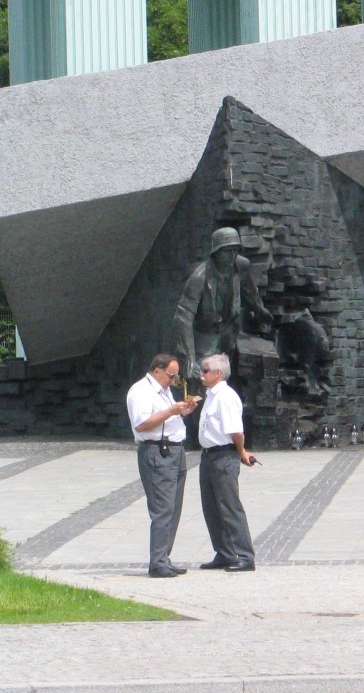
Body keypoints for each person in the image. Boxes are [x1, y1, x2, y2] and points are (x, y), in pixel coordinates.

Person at [126, 353, 197, 578]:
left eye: (175, 375)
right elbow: (142, 424)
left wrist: (182, 412)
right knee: (163, 508)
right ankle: (157, 562)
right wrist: (171, 411)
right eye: (171, 375)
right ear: (157, 370)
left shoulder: (164, 391)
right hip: (157, 451)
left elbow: (166, 420)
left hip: (175, 450)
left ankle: (164, 557)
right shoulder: (141, 391)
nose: (174, 379)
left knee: (174, 507)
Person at [173, 227, 273, 380]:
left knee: (225, 373)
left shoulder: (242, 266)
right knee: (201, 373)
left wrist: (261, 312)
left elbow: (251, 294)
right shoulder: (200, 276)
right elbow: (183, 317)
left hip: (228, 329)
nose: (232, 255)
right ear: (216, 252)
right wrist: (189, 360)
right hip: (205, 332)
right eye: (227, 251)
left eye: (235, 250)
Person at [197, 353, 258, 572]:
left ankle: (244, 555)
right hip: (208, 455)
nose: (201, 374)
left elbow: (236, 431)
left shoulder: (226, 396)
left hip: (223, 455)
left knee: (229, 506)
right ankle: (224, 552)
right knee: (211, 506)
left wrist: (241, 451)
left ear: (217, 373)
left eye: (205, 370)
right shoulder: (211, 395)